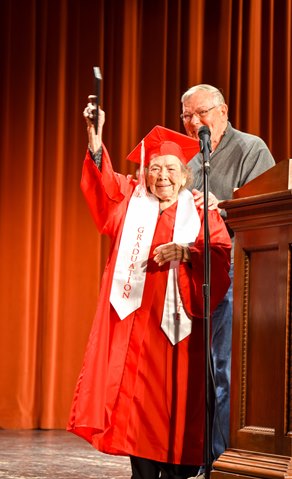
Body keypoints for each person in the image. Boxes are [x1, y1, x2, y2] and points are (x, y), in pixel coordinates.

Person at [67, 97, 232, 479]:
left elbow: (221, 254)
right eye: (154, 168)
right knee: (136, 410)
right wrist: (96, 140)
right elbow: (103, 189)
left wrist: (189, 252)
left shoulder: (200, 210)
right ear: (144, 173)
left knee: (176, 410)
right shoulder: (131, 201)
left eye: (171, 169)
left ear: (186, 175)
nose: (162, 176)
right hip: (136, 330)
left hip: (180, 336)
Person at [180, 84, 275, 467]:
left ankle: (219, 461)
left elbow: (268, 207)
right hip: (189, 271)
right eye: (187, 116)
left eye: (201, 113)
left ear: (223, 111)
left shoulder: (251, 148)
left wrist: (226, 207)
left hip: (235, 270)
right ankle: (190, 455)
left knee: (224, 371)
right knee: (191, 375)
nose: (194, 123)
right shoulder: (185, 158)